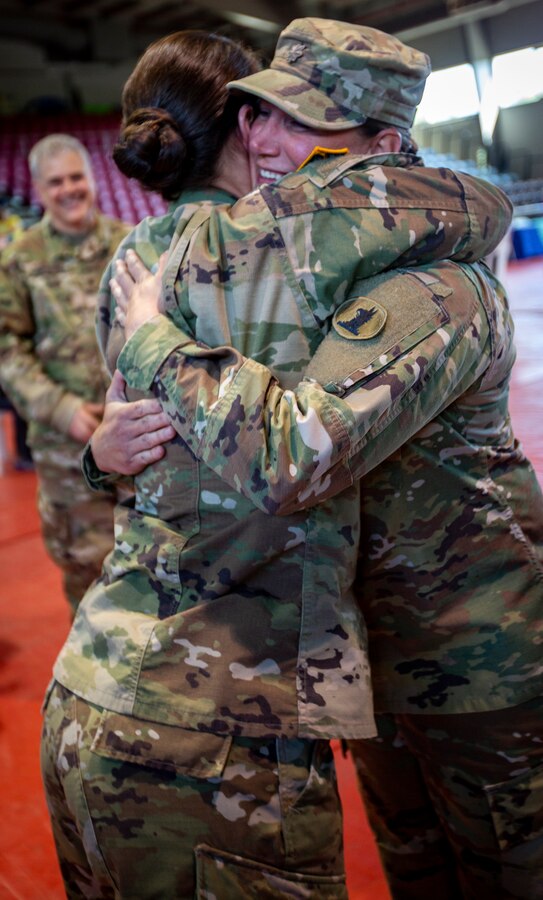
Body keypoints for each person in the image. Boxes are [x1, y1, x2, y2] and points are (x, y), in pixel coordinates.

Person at [43, 20, 514, 899]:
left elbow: (286, 452)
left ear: (381, 149)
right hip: (308, 685)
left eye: (299, 123)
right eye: (257, 115)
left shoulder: (416, 281)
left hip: (462, 668)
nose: (266, 140)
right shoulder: (250, 266)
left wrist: (140, 362)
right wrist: (109, 452)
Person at [0, 134, 130, 613]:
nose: (69, 189)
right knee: (91, 579)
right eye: (57, 182)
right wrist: (60, 407)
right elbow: (6, 348)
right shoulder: (19, 261)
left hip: (141, 445)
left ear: (92, 180)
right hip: (68, 455)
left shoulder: (128, 244)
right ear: (38, 189)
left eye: (77, 177)